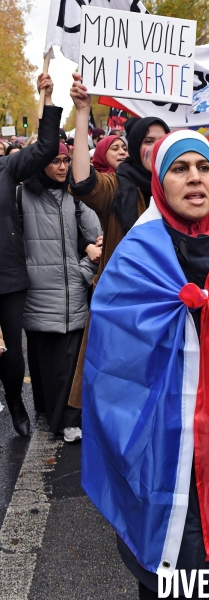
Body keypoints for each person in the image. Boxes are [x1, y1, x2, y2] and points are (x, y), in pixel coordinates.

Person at [81, 129, 209, 599]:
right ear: (160, 181)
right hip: (160, 437)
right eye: (179, 169)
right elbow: (114, 355)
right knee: (165, 560)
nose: (195, 178)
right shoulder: (137, 253)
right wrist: (177, 316)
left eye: (202, 167)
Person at [67, 72, 170, 409]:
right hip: (122, 314)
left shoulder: (184, 190)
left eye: (163, 140)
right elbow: (82, 182)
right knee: (118, 405)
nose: (156, 147)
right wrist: (83, 113)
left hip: (168, 314)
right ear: (137, 144)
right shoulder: (118, 187)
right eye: (149, 140)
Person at [21, 142, 101, 442]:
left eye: (66, 160)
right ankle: (49, 413)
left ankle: (67, 421)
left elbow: (99, 240)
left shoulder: (77, 198)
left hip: (71, 297)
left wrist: (81, 270)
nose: (63, 167)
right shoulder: (20, 195)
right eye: (55, 161)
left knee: (69, 364)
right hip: (37, 295)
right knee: (45, 361)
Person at [0, 73, 62, 437]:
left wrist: (48, 97)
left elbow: (46, 148)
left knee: (10, 354)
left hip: (7, 277)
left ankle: (17, 406)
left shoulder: (7, 168)